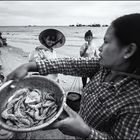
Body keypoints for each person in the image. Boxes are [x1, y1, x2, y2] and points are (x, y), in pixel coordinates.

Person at [6, 13, 140, 139]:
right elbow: (72, 64)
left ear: (128, 50)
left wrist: (86, 132)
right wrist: (29, 66)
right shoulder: (103, 66)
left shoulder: (135, 103)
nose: (99, 48)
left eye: (106, 41)